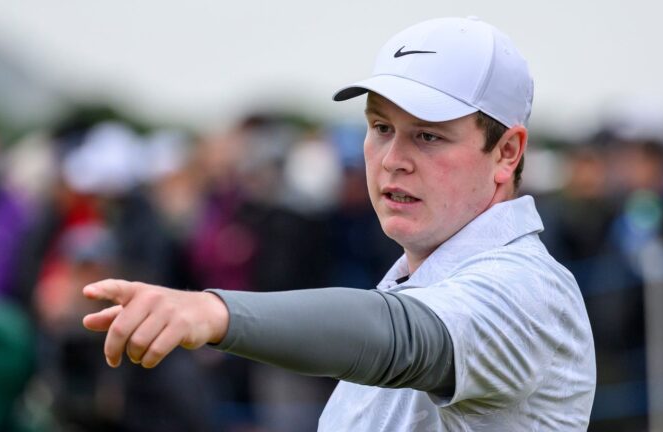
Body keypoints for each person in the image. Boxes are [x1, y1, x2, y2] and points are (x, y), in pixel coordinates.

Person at [83, 17, 596, 430]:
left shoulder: (529, 288)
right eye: (380, 128)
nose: (392, 158)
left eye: (429, 136)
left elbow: (402, 339)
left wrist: (216, 312)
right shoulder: (420, 272)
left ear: (507, 152)